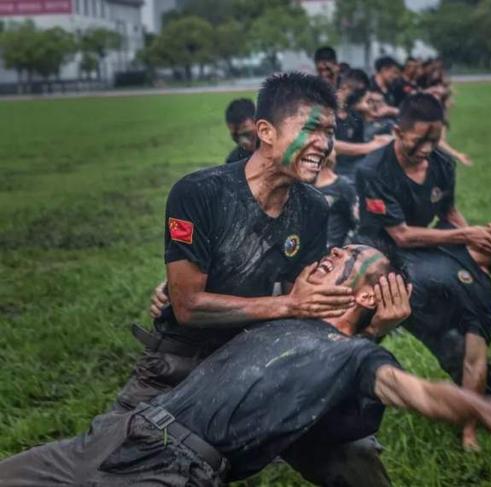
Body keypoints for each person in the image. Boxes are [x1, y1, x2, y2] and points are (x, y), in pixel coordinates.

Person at [0, 245, 491, 486]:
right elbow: (191, 305)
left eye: (346, 262)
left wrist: (485, 406)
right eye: (331, 253)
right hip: (112, 437)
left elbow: (415, 393)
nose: (330, 256)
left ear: (367, 297)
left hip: (168, 471)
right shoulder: (273, 311)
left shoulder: (353, 357)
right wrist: (167, 299)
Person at [119, 72, 409, 485]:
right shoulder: (199, 192)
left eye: (330, 132)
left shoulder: (312, 207)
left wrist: (373, 329)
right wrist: (284, 305)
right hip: (179, 365)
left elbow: (308, 308)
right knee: (110, 460)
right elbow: (187, 308)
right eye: (313, 129)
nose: (325, 145)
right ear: (265, 132)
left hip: (262, 360)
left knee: (357, 461)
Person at [402, 221, 491, 451]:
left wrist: (469, 433)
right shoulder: (446, 233)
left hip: (412, 314)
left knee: (459, 347)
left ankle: (488, 405)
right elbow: (400, 231)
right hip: (370, 281)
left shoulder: (480, 293)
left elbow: (474, 362)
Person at [354, 92, 491, 258]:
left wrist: (478, 245)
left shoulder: (443, 164)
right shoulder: (373, 170)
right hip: (377, 254)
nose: (426, 149)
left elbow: (449, 212)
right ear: (398, 133)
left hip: (418, 247)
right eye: (418, 141)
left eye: (434, 141)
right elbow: (401, 236)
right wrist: (467, 235)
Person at [333, 68, 393, 180]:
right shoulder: (326, 110)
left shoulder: (355, 112)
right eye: (359, 93)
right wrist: (369, 147)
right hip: (336, 173)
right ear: (345, 88)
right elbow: (331, 145)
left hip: (356, 169)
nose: (362, 98)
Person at [315, 148, 358, 247]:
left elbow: (357, 224)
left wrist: (346, 248)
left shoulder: (343, 187)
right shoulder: (302, 185)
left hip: (333, 250)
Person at [224, 98, 257, 163]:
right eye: (236, 136)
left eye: (247, 134)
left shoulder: (280, 151)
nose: (243, 141)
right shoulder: (234, 161)